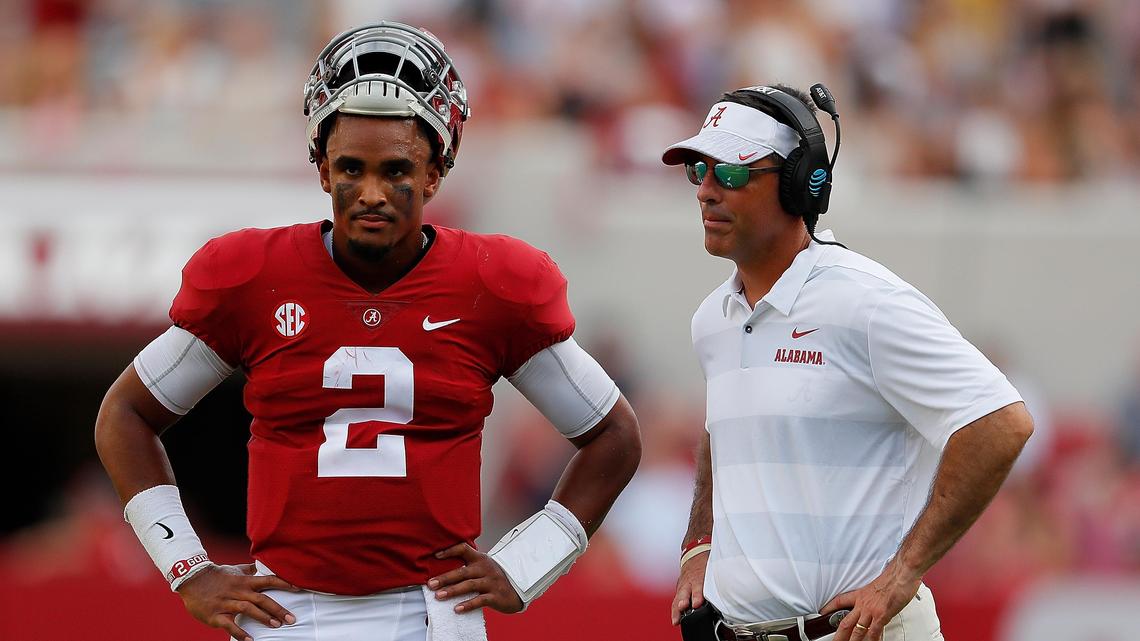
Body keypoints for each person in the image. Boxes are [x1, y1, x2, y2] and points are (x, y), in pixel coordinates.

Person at [94, 22, 641, 641]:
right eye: (351, 168)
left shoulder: (494, 283)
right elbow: (125, 415)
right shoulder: (253, 277)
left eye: (398, 170)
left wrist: (530, 561)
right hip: (285, 609)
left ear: (435, 173)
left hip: (432, 612)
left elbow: (613, 435)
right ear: (323, 171)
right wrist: (187, 570)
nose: (372, 193)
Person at [662, 84, 1033, 641]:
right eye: (699, 172)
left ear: (797, 183)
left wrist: (902, 574)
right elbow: (726, 429)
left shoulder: (867, 302)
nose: (707, 192)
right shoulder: (712, 319)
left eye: (731, 173)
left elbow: (1001, 422)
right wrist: (699, 544)